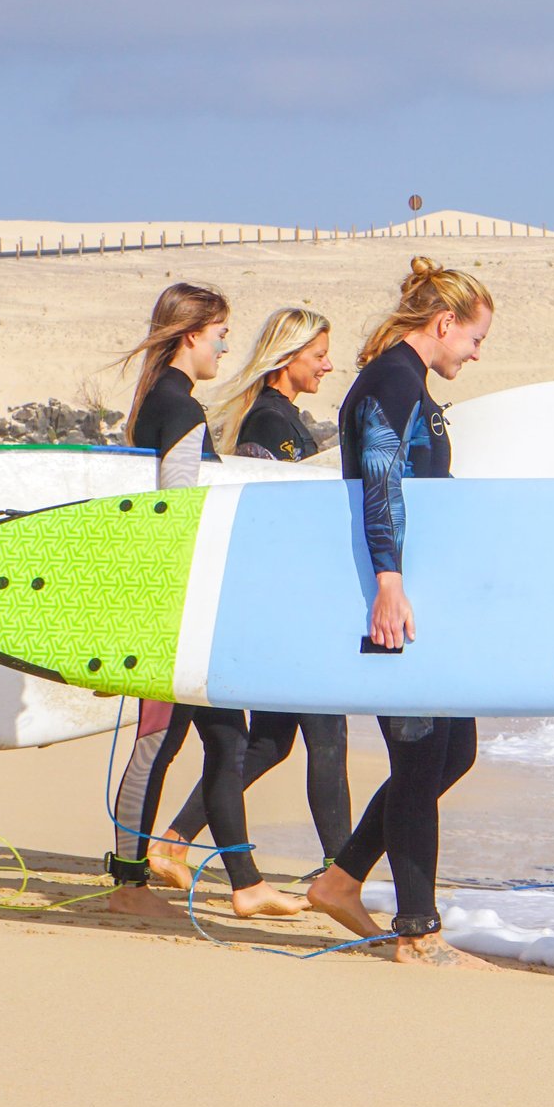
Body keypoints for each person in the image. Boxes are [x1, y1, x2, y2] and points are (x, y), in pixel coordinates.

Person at [302, 258, 496, 967]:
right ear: (443, 324)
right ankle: (418, 930)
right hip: (393, 594)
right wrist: (388, 579)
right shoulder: (391, 379)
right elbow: (379, 480)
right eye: (473, 339)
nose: (476, 353)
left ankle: (342, 878)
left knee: (453, 750)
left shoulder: (408, 380)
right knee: (418, 753)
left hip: (419, 594)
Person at [152, 308, 352, 889]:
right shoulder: (270, 422)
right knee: (326, 736)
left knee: (269, 742)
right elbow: (275, 521)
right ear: (287, 357)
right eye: (318, 355)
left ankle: (175, 840)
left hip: (283, 603)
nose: (328, 365)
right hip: (287, 606)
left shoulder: (280, 417)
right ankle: (342, 872)